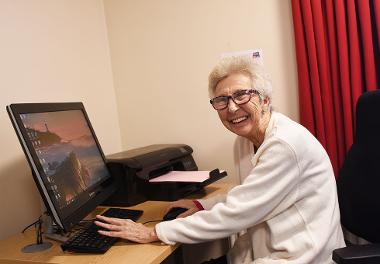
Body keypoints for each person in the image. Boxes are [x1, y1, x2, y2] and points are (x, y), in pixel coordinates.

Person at [95, 56, 345, 263]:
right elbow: (249, 194)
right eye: (222, 100)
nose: (232, 108)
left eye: (242, 95)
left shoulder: (285, 145)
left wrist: (154, 231)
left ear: (265, 99)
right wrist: (202, 204)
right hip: (267, 251)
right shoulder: (246, 140)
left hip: (299, 257)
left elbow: (237, 213)